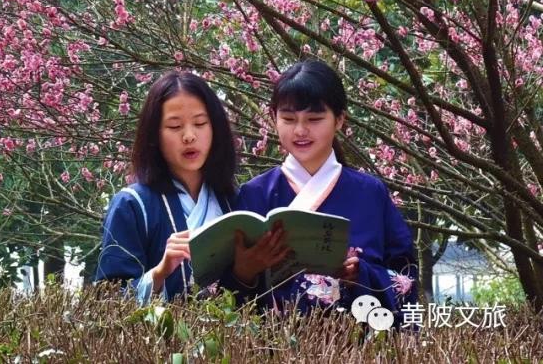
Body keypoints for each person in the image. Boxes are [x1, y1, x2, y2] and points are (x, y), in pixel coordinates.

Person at [233, 59, 418, 317]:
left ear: (339, 119)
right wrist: (244, 271)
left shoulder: (371, 194)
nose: (300, 130)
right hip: (271, 340)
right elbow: (228, 296)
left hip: (356, 338)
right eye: (288, 119)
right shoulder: (254, 194)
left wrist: (361, 275)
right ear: (274, 118)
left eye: (314, 119)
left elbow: (406, 277)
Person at [94, 71, 282, 302]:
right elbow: (106, 301)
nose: (189, 136)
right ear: (154, 135)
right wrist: (159, 273)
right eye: (175, 126)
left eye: (200, 123)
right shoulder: (132, 205)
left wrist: (246, 271)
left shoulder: (233, 201)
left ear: (215, 128)